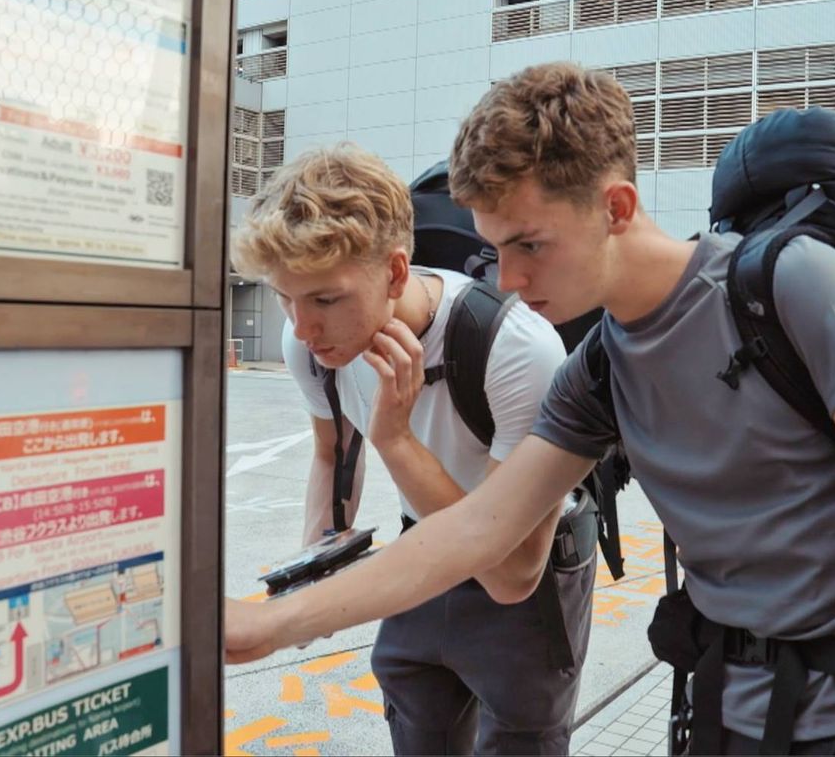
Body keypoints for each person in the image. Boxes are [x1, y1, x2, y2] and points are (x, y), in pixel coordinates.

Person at [227, 64, 835, 755]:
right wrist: (270, 625)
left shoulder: (793, 288)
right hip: (735, 714)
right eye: (496, 248)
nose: (510, 278)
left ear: (617, 206)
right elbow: (473, 532)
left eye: (530, 244)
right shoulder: (600, 365)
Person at [229, 144, 596, 756]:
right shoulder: (312, 345)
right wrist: (308, 579)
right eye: (283, 297)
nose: (301, 328)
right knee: (415, 727)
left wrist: (396, 441)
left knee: (521, 742)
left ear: (396, 272)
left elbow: (511, 573)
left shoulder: (513, 348)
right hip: (417, 559)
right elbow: (330, 453)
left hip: (528, 586)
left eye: (324, 299)